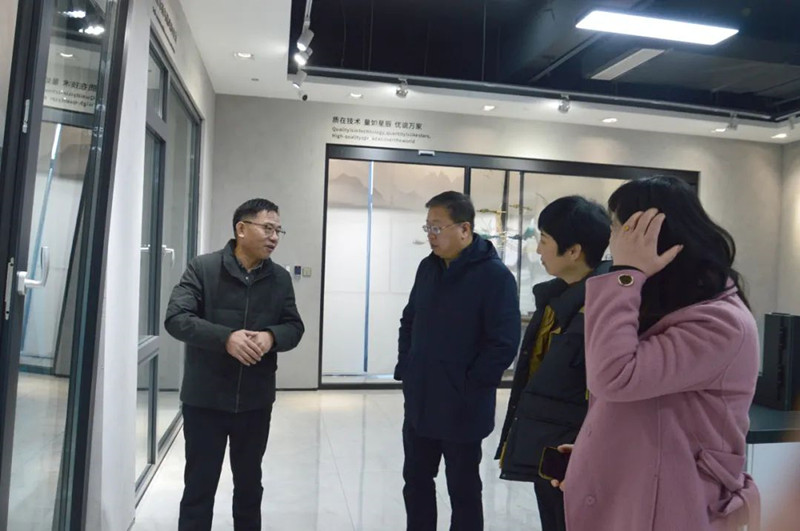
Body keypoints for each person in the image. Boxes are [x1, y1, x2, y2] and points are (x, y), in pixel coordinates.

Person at [554, 176, 760, 530]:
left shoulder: (720, 323)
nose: (613, 241)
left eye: (618, 228)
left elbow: (614, 376)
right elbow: (653, 410)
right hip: (644, 494)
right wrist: (601, 453)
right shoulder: (672, 306)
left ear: (651, 235)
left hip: (675, 507)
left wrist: (625, 274)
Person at [164, 198, 304, 531]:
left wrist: (271, 336)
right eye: (267, 228)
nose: (274, 237)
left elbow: (294, 327)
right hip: (205, 400)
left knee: (249, 487)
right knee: (199, 488)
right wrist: (226, 338)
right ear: (241, 228)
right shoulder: (203, 268)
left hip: (255, 402)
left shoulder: (280, 278)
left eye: (278, 230)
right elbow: (176, 318)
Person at [395, 191, 521, 531]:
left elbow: (504, 344)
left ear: (465, 229)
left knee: (463, 489)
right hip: (421, 400)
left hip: (463, 407)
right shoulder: (428, 268)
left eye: (437, 227)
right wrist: (407, 367)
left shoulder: (495, 277)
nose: (431, 235)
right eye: (427, 227)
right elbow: (410, 320)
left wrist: (470, 386)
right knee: (416, 482)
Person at [495, 196, 610, 531]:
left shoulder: (602, 306)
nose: (538, 250)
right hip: (548, 441)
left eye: (544, 241)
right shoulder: (555, 298)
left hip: (575, 446)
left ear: (573, 251)